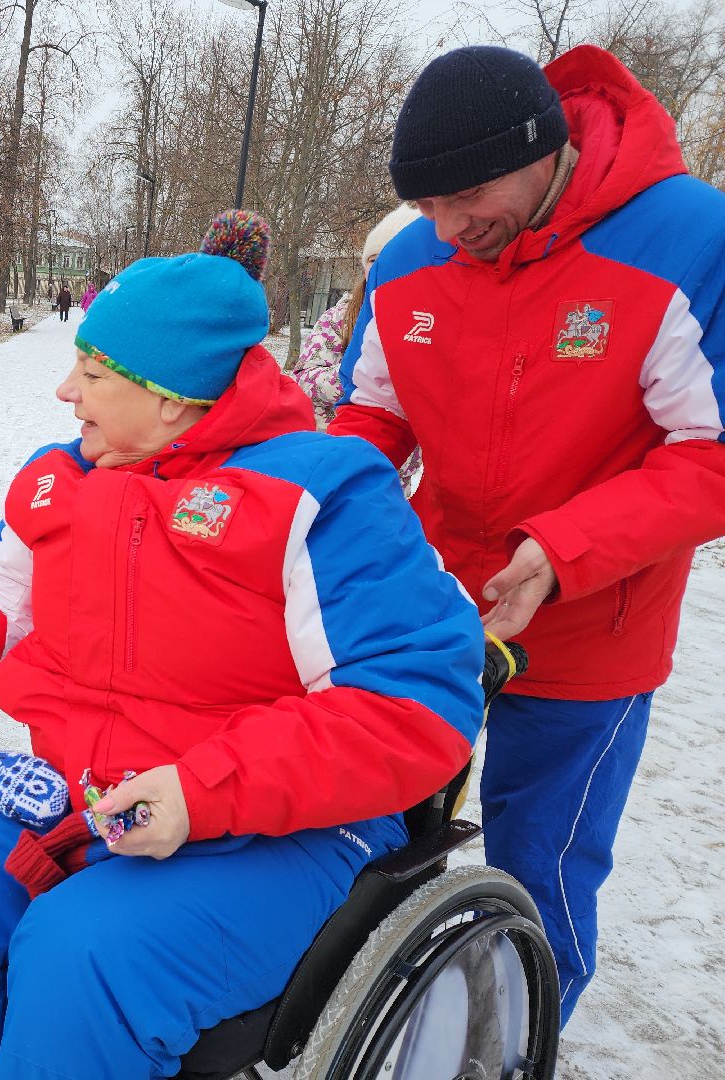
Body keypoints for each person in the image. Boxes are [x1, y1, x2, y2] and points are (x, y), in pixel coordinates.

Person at [0, 213, 484, 1078]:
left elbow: (411, 705)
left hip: (284, 828)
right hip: (100, 798)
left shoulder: (321, 493)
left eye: (92, 373)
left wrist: (200, 792)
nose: (66, 391)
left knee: (81, 951)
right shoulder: (65, 482)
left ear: (170, 398)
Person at [332, 44, 725, 1024]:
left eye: (468, 195)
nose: (447, 227)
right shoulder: (412, 260)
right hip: (430, 614)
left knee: (537, 868)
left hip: (592, 625)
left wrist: (562, 550)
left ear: (544, 148)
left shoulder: (688, 239)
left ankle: (509, 1042)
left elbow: (712, 455)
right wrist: (324, 515)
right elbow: (372, 418)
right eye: (426, 203)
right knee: (369, 830)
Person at [290, 204, 423, 493]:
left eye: (389, 258)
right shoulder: (340, 317)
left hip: (394, 473)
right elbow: (305, 378)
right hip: (331, 452)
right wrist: (363, 376)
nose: (379, 267)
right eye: (373, 259)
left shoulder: (424, 321)